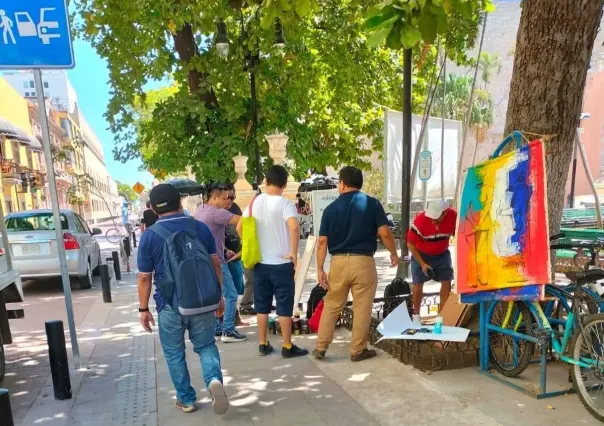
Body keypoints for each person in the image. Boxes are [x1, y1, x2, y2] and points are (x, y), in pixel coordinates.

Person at [137, 184, 229, 415]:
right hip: (203, 300)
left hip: (169, 305)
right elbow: (215, 264)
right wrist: (218, 296)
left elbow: (144, 278)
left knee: (174, 353)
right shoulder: (200, 228)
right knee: (206, 345)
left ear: (154, 210)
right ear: (180, 202)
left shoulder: (149, 237)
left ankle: (186, 399)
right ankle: (213, 381)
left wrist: (143, 309)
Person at [313, 166, 399, 362]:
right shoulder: (372, 204)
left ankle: (321, 347)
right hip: (364, 262)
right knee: (362, 307)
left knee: (332, 304)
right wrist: (393, 253)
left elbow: (322, 242)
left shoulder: (330, 209)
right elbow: (385, 232)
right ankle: (357, 350)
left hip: (338, 262)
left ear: (342, 184)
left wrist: (319, 269)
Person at [238, 165, 308, 358]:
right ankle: (287, 345)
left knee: (262, 306)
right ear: (284, 185)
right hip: (282, 264)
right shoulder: (286, 204)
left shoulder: (254, 203)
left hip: (260, 264)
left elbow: (239, 228)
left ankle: (263, 343)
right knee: (284, 306)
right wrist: (293, 253)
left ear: (266, 182)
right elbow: (294, 228)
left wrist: (252, 244)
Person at [195, 184, 246, 342]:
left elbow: (210, 235)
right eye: (224, 198)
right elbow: (244, 220)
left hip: (205, 260)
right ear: (214, 197)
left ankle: (217, 329)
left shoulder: (201, 210)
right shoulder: (217, 213)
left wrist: (224, 249)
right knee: (231, 295)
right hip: (217, 262)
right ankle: (228, 330)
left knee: (216, 295)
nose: (227, 201)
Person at [407, 199, 457, 320]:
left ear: (444, 213)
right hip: (421, 253)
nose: (433, 222)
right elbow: (410, 244)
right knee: (417, 284)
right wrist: (422, 263)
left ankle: (442, 315)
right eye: (431, 219)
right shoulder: (420, 221)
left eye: (436, 219)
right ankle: (417, 315)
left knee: (446, 281)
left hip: (442, 253)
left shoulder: (454, 216)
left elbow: (460, 234)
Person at [224, 184, 250, 324]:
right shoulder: (218, 211)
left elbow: (243, 225)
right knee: (229, 291)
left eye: (233, 197)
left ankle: (234, 317)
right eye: (227, 198)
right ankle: (230, 320)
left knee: (235, 288)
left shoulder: (235, 208)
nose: (230, 201)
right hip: (224, 256)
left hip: (236, 254)